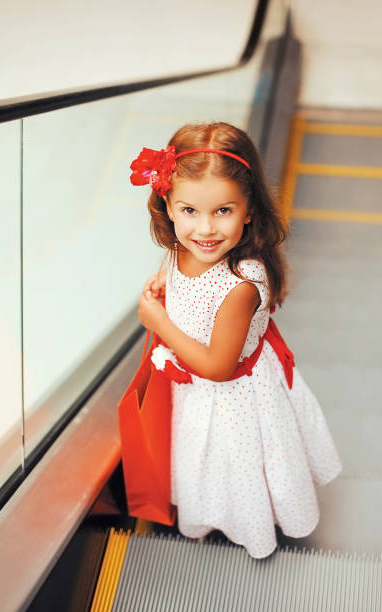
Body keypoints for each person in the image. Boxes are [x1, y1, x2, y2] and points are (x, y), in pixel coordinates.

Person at [131, 122, 342, 559]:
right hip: (199, 396)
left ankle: (253, 528)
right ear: (167, 204)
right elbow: (186, 273)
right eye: (189, 210)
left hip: (235, 399)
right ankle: (208, 512)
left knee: (238, 466)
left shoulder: (241, 284)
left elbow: (217, 367)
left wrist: (157, 321)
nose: (205, 229)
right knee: (205, 462)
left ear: (249, 209)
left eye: (223, 211)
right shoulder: (182, 247)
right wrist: (165, 282)